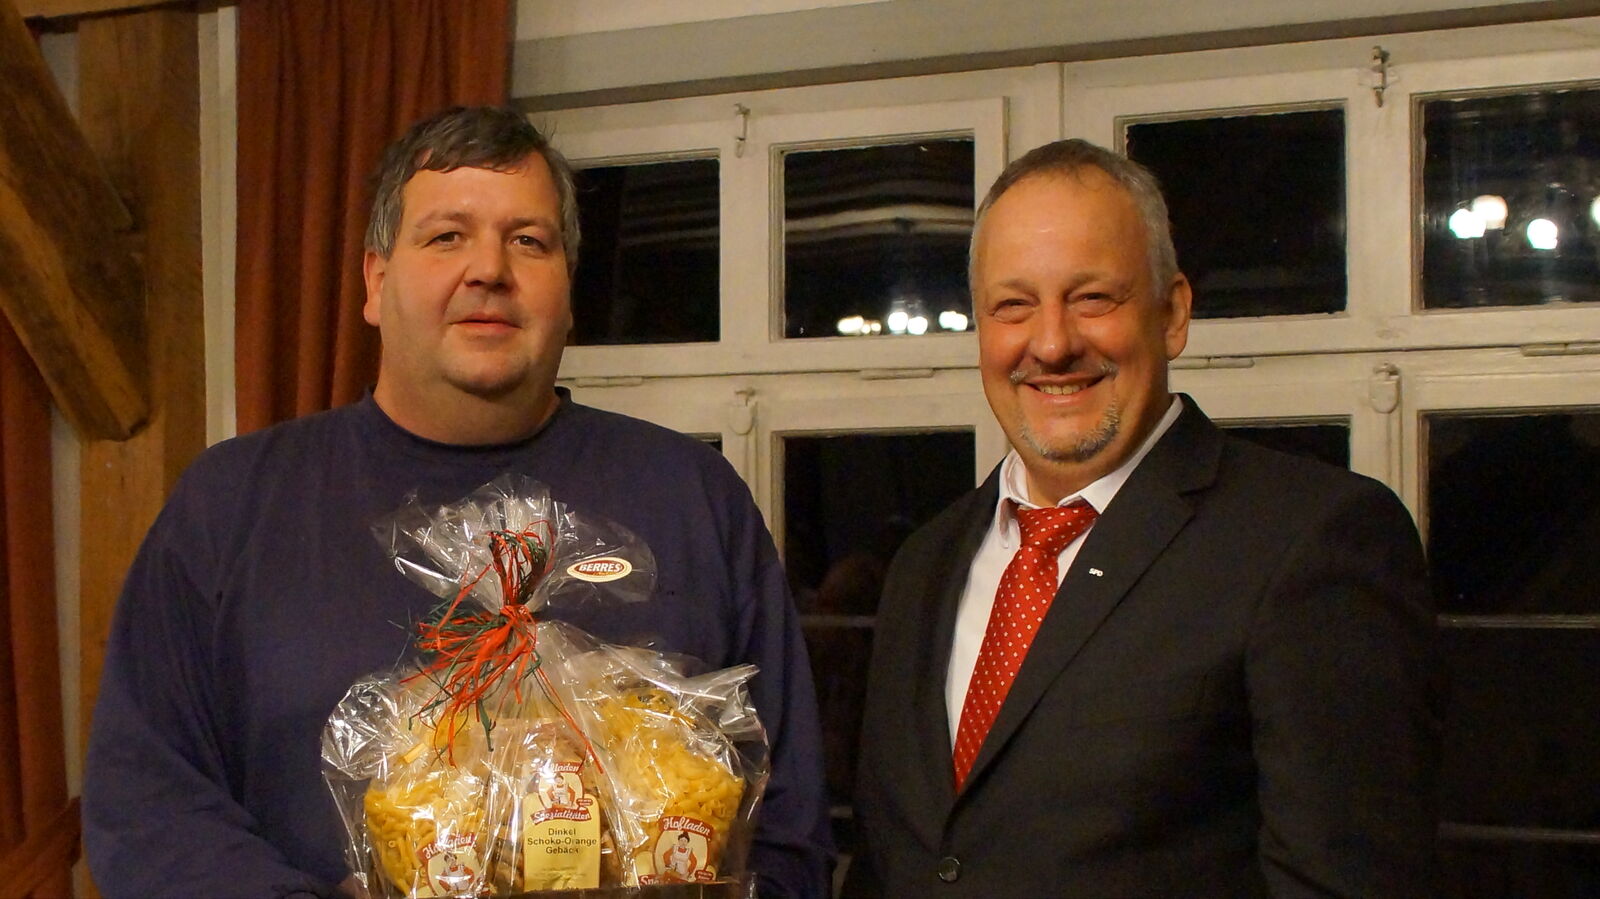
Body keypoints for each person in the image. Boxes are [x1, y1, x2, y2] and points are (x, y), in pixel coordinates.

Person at [82, 106, 832, 899]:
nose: (488, 269)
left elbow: (788, 824)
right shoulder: (231, 504)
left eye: (528, 241)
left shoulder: (694, 497)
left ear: (568, 292)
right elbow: (148, 806)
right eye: (446, 236)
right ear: (376, 282)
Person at [844, 140, 1439, 896]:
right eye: (1013, 305)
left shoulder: (1312, 541)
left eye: (1093, 298)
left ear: (1173, 313)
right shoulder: (924, 564)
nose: (1052, 344)